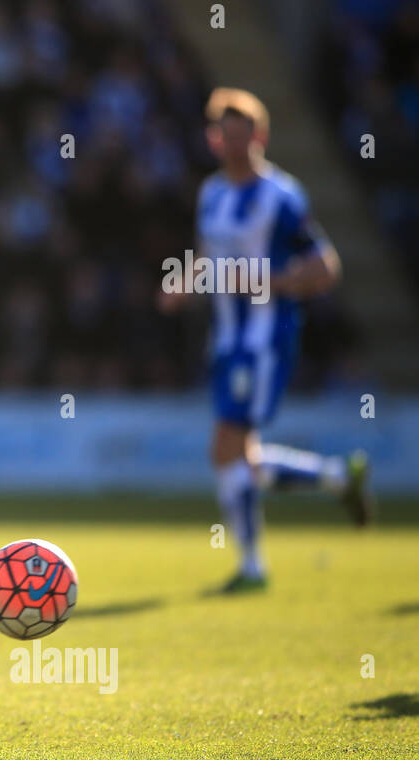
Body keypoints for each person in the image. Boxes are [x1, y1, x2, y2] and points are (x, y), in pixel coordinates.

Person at [161, 88, 372, 594]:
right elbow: (207, 254)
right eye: (224, 136)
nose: (234, 145)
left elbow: (325, 267)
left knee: (225, 447)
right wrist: (183, 282)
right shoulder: (211, 193)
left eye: (242, 135)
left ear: (260, 136)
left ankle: (252, 566)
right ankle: (336, 477)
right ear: (215, 141)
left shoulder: (282, 197)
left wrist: (265, 282)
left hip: (263, 339)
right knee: (242, 458)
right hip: (226, 338)